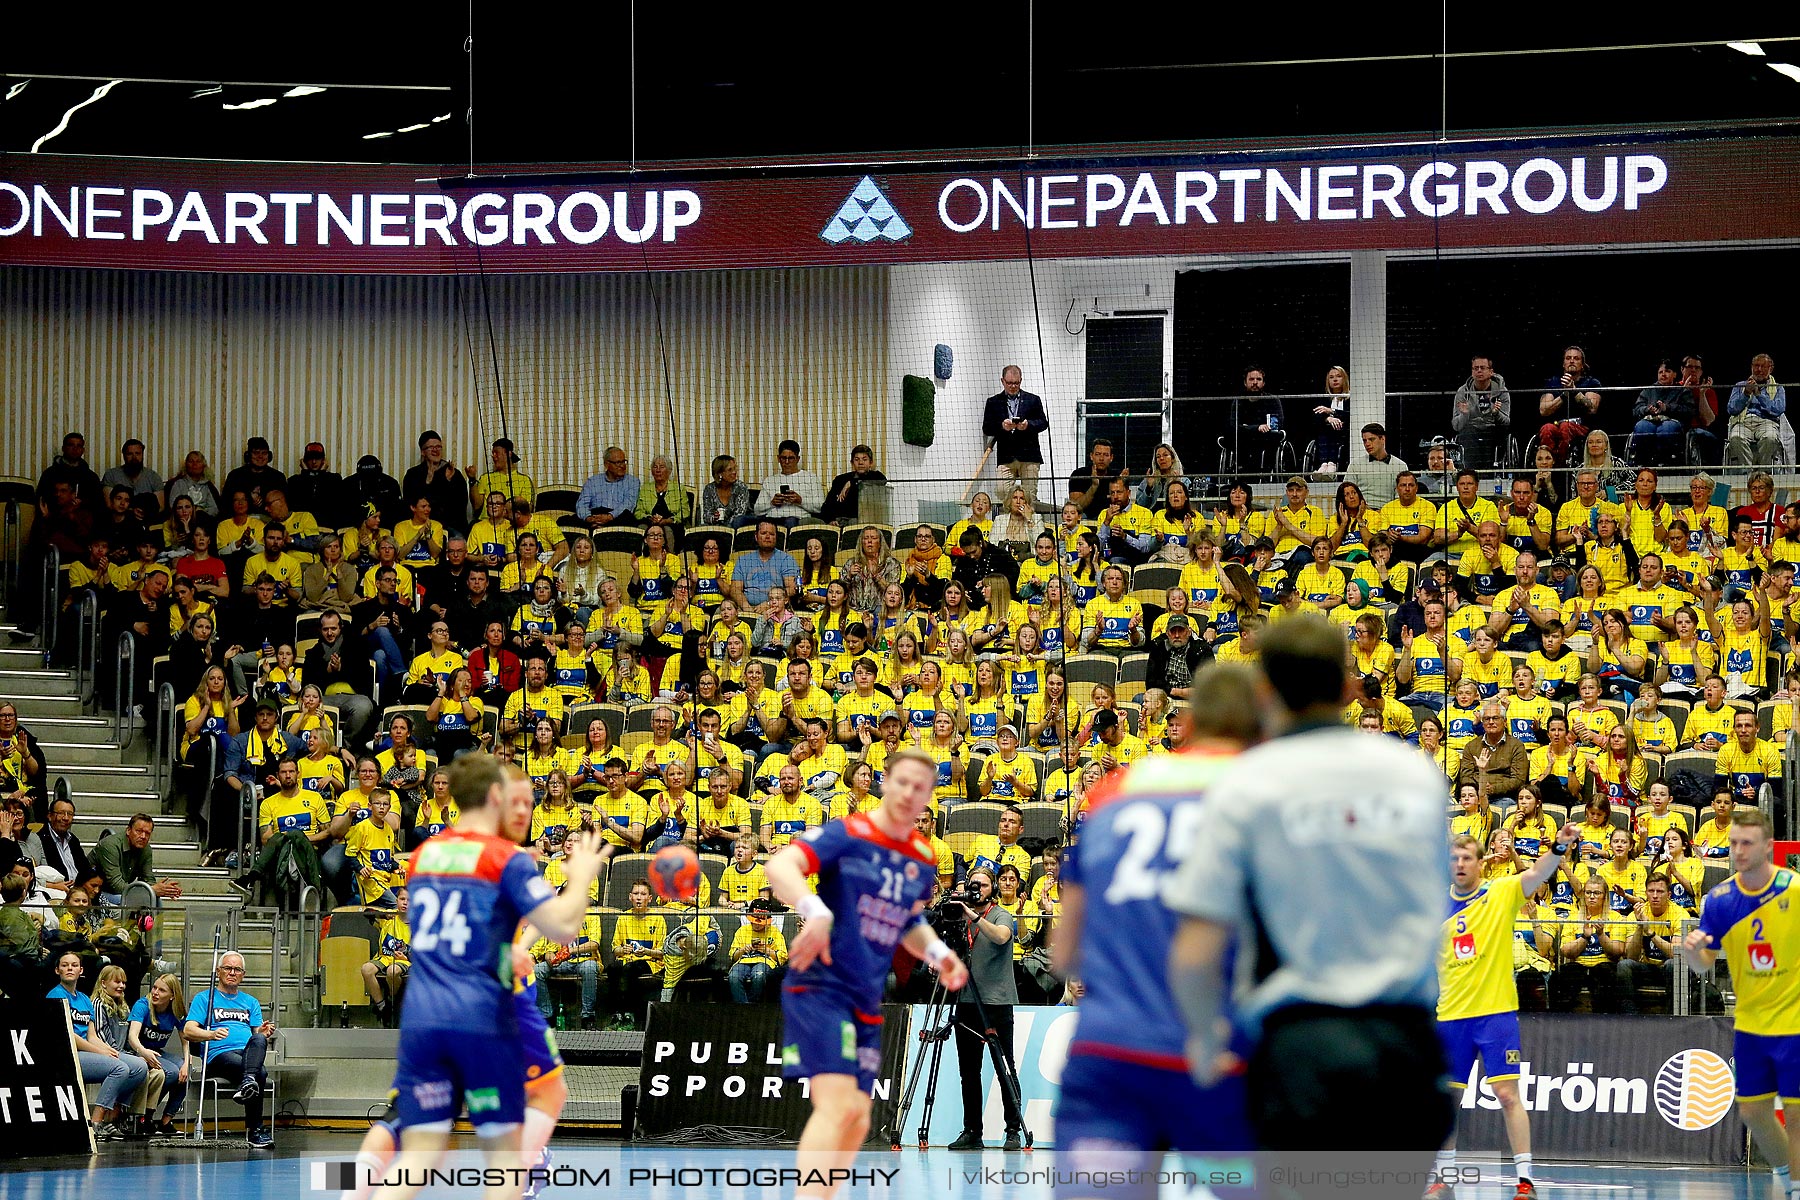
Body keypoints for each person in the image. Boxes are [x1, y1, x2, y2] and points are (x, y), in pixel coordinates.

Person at [1169, 616, 1453, 1170]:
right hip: (1408, 1052)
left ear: (1265, 692)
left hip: (1301, 1052)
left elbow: (1197, 946)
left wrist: (1205, 1040)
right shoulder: (1415, 774)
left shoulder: (1247, 784)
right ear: (1348, 687)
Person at [1052, 666, 1260, 1192]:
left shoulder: (1116, 790)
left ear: (1188, 723)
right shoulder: (1266, 795)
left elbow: (1064, 955)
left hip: (1109, 1054)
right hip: (1219, 1056)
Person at [371, 755, 608, 1200]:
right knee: (504, 1157)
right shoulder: (504, 858)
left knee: (420, 1154)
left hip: (421, 1014)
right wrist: (579, 879)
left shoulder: (424, 854)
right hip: (480, 1016)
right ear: (496, 795)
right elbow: (562, 926)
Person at [764, 749, 967, 1195]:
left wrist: (937, 952)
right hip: (821, 985)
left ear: (929, 796)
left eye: (921, 787)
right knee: (836, 1107)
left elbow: (906, 920)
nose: (910, 793)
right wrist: (814, 910)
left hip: (865, 997)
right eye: (902, 782)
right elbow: (780, 865)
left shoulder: (923, 856)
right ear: (884, 782)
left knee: (858, 1116)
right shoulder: (850, 832)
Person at [1430, 822, 1581, 1200]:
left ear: (1482, 863)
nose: (1460, 864)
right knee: (1445, 1100)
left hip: (1495, 1014)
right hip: (1450, 1016)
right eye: (1454, 858)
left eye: (1467, 858)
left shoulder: (1499, 893)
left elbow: (1535, 873)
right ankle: (1442, 1176)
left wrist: (1559, 847)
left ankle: (1525, 1180)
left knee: (1508, 1095)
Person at [1684, 809, 1800, 1200]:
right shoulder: (1719, 901)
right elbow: (1704, 964)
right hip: (1749, 1025)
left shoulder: (1794, 890)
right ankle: (1788, 1179)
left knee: (1797, 1117)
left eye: (1746, 843)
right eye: (1733, 843)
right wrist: (1693, 953)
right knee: (1753, 1113)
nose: (1737, 850)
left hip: (1794, 1022)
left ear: (1768, 846)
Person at [183, 951, 276, 1147]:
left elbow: (255, 1034)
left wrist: (263, 1031)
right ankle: (255, 1130)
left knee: (259, 1039)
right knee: (261, 1072)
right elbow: (188, 1030)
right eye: (228, 968)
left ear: (243, 974)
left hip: (245, 1055)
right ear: (218, 972)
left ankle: (248, 1081)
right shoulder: (204, 998)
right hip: (217, 1056)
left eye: (237, 969)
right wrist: (210, 1034)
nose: (232, 972)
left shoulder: (251, 1002)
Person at [981, 365, 1050, 505]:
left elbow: (1043, 423)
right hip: (1006, 455)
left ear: (1021, 381)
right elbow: (987, 427)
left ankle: (1028, 522)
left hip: (1029, 455)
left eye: (1016, 383)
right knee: (1002, 491)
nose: (1013, 386)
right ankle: (1008, 522)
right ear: (1002, 381)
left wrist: (1028, 425)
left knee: (1029, 494)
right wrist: (1002, 426)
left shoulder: (1033, 400)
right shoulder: (993, 402)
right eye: (1009, 383)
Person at [1537, 346, 1603, 461]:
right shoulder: (1553, 382)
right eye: (1568, 358)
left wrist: (1574, 391)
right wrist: (1564, 395)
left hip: (1581, 427)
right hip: (1556, 425)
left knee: (1565, 427)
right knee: (1546, 428)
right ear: (1563, 363)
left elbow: (1592, 408)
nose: (1572, 361)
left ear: (1582, 365)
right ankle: (1547, 464)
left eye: (1576, 358)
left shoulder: (1591, 382)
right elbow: (1544, 410)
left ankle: (1561, 466)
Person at [1727, 353, 1788, 467]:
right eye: (1756, 366)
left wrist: (1758, 394)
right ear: (1751, 367)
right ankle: (1748, 476)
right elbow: (1731, 409)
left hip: (1767, 422)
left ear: (1771, 368)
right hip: (1743, 422)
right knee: (1735, 438)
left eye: (1763, 366)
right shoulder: (1740, 385)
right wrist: (1745, 393)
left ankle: (1763, 475)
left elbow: (1778, 410)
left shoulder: (1778, 388)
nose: (1759, 370)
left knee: (1770, 438)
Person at [1453, 356, 1511, 470]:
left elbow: (1506, 422)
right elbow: (1456, 425)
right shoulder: (1462, 392)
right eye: (1475, 368)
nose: (1479, 371)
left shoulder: (1502, 392)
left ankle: (1488, 475)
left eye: (1482, 368)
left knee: (1495, 438)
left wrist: (1496, 413)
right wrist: (1465, 415)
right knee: (1468, 435)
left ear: (1491, 372)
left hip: (1493, 429)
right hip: (1471, 430)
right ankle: (1470, 474)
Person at [753, 440, 824, 527]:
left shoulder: (810, 478)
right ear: (778, 458)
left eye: (790, 458)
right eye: (783, 458)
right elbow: (757, 509)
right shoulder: (769, 480)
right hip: (772, 520)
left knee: (790, 521)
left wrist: (800, 501)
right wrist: (772, 503)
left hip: (797, 519)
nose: (787, 462)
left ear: (797, 459)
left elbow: (821, 507)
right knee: (740, 520)